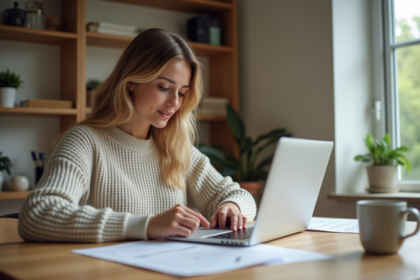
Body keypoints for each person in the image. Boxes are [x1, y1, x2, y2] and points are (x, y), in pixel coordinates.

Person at [18, 28, 257, 243]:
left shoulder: (175, 148)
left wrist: (232, 206)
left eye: (182, 93)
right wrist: (147, 225)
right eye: (164, 87)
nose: (174, 102)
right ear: (132, 81)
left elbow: (240, 196)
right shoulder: (84, 141)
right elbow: (37, 213)